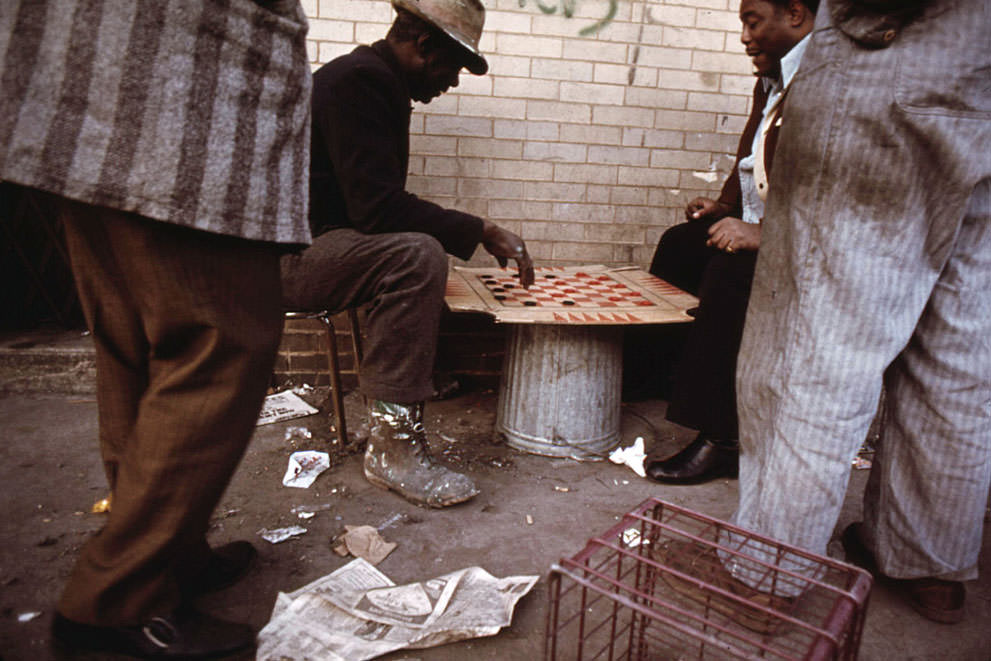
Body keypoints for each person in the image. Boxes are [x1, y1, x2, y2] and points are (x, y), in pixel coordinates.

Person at [0, 1, 312, 657]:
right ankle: (115, 600)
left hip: (90, 91)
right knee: (219, 343)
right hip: (183, 105)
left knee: (133, 345)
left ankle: (165, 555)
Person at [733, 0, 990, 624]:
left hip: (888, 66)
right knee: (958, 354)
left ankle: (773, 569)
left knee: (816, 349)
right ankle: (930, 566)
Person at [281, 0, 534, 509]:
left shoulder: (373, 78)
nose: (453, 82)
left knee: (409, 249)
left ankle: (405, 384)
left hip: (315, 243)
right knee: (415, 255)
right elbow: (377, 210)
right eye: (453, 66)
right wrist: (481, 229)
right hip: (287, 260)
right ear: (422, 45)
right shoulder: (360, 80)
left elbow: (367, 210)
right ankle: (392, 447)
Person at [643, 0, 818, 484]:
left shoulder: (825, 80)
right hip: (770, 227)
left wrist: (765, 234)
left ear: (797, 15)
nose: (744, 36)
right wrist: (725, 207)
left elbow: (833, 192)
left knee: (730, 274)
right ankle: (663, 377)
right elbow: (752, 152)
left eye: (753, 21)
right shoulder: (775, 76)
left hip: (810, 244)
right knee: (680, 244)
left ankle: (723, 437)